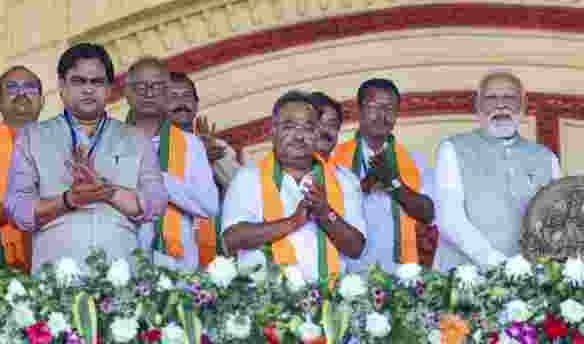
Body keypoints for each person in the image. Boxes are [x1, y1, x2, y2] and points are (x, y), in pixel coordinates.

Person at [5, 43, 167, 273]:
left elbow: (156, 201)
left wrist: (107, 190)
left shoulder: (136, 138)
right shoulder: (32, 137)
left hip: (122, 276)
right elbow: (17, 210)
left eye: (97, 82)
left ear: (109, 88)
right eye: (79, 81)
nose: (88, 89)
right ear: (61, 86)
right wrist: (68, 200)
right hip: (56, 277)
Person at [222, 91, 365, 282]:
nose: (299, 136)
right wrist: (292, 222)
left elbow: (356, 248)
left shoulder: (343, 181)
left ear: (316, 133)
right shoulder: (249, 178)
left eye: (308, 128)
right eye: (289, 126)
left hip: (328, 302)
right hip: (266, 302)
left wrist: (325, 213)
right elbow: (231, 239)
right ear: (273, 130)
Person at [434, 71, 561, 270]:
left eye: (509, 97)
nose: (500, 105)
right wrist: (496, 264)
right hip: (463, 281)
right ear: (478, 105)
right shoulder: (452, 149)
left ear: (523, 104)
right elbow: (449, 219)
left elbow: (555, 224)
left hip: (527, 283)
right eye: (491, 98)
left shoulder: (547, 158)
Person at [325, 80, 437, 272]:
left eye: (389, 108)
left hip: (401, 270)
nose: (381, 115)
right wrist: (362, 187)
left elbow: (428, 213)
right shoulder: (335, 158)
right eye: (373, 107)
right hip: (349, 269)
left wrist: (393, 183)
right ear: (359, 111)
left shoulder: (415, 159)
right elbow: (324, 212)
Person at [124, 58, 218, 272]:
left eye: (157, 86)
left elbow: (209, 205)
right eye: (140, 86)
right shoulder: (110, 141)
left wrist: (157, 177)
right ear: (127, 94)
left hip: (180, 264)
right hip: (125, 264)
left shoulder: (190, 144)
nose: (149, 93)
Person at [0, 65, 44, 271]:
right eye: (12, 88)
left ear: (42, 100)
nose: (21, 93)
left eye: (30, 87)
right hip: (0, 273)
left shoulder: (66, 143)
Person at [167, 72, 243, 190]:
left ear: (196, 104)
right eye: (173, 96)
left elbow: (242, 190)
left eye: (187, 95)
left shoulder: (218, 146)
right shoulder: (153, 148)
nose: (181, 102)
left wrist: (217, 159)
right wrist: (200, 159)